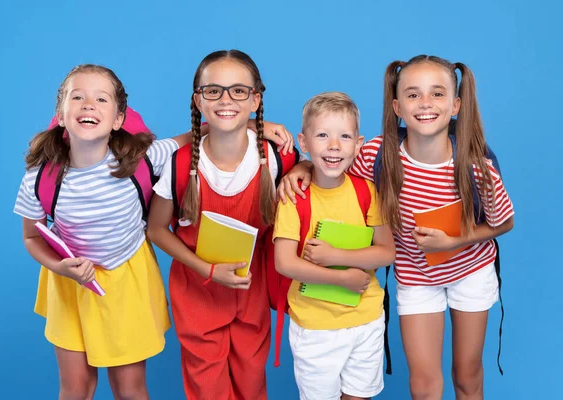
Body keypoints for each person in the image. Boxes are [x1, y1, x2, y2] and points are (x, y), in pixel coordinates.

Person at [14, 63, 292, 400]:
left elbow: (204, 131)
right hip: (69, 284)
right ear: (60, 114)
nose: (88, 105)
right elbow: (31, 236)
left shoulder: (144, 160)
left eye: (101, 99)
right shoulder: (39, 177)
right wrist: (59, 267)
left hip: (125, 283)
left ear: (119, 120)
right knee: (76, 387)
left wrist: (254, 124)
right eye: (78, 97)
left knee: (129, 389)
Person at [279, 55, 515, 400]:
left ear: (455, 105)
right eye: (412, 95)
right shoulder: (376, 153)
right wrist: (300, 167)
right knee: (423, 383)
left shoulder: (475, 165)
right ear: (397, 107)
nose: (425, 104)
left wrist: (454, 241)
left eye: (437, 94)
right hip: (416, 275)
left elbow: (504, 221)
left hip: (470, 270)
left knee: (467, 375)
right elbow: (330, 158)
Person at [146, 49, 298, 400]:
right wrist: (208, 270)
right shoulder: (179, 164)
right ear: (198, 100)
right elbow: (155, 229)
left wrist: (302, 170)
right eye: (213, 90)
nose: (225, 99)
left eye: (238, 91)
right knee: (208, 391)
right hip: (198, 294)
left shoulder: (279, 157)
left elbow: (316, 177)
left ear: (255, 99)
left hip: (252, 293)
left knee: (250, 385)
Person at [274, 92, 395, 400]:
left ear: (358, 144)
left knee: (359, 395)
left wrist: (335, 256)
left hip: (366, 319)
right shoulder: (294, 196)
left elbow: (386, 251)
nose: (334, 145)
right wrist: (341, 276)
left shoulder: (366, 191)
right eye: (323, 135)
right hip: (315, 326)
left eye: (344, 136)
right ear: (304, 142)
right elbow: (285, 263)